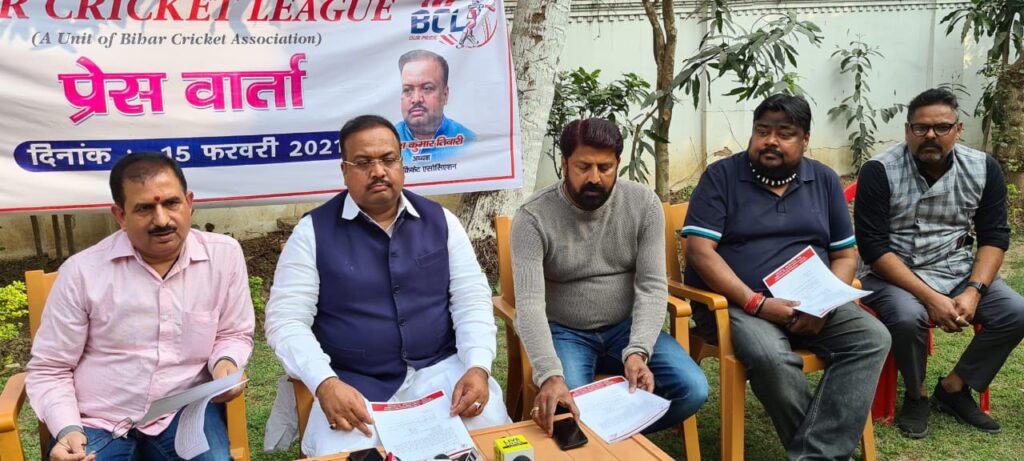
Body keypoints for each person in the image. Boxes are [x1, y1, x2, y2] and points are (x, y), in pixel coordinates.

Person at [264, 114, 508, 456]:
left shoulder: (441, 222)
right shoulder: (312, 233)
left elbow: (471, 300)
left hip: (440, 373)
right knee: (349, 454)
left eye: (388, 159)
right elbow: (286, 321)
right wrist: (325, 383)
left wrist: (478, 366)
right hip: (354, 384)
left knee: (492, 442)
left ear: (402, 163)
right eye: (364, 162)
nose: (378, 171)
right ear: (344, 171)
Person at [682, 94, 891, 460]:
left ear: (805, 139)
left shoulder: (823, 180)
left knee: (872, 337)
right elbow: (699, 252)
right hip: (736, 305)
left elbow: (845, 256)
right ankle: (823, 453)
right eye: (762, 131)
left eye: (785, 133)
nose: (771, 141)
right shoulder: (722, 177)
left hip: (810, 303)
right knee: (769, 356)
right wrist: (756, 303)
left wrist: (824, 304)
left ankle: (815, 454)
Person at [26, 152, 255, 461]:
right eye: (145, 208)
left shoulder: (223, 256)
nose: (162, 220)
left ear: (189, 203)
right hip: (97, 421)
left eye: (171, 203)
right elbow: (51, 368)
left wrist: (225, 363)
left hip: (182, 411)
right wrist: (68, 430)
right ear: (120, 216)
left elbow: (233, 333)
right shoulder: (82, 273)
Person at [511, 117, 708, 436]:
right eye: (583, 167)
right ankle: (612, 438)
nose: (594, 177)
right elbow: (530, 305)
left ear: (618, 164)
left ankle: (611, 437)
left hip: (626, 328)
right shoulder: (533, 217)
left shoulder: (643, 204)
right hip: (565, 332)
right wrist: (550, 375)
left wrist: (638, 350)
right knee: (568, 406)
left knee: (693, 388)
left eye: (605, 167)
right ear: (564, 164)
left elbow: (652, 286)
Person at [855, 88, 1024, 438]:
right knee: (907, 316)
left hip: (956, 268)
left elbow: (994, 238)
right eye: (921, 128)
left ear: (958, 129)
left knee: (1016, 312)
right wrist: (931, 298)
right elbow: (873, 249)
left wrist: (974, 291)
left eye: (942, 127)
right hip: (893, 273)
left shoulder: (983, 168)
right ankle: (915, 394)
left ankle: (953, 388)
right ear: (908, 130)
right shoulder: (880, 170)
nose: (931, 135)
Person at [395, 49, 475, 162]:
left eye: (427, 88)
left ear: (445, 95)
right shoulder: (384, 141)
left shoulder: (470, 142)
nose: (416, 99)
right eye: (407, 90)